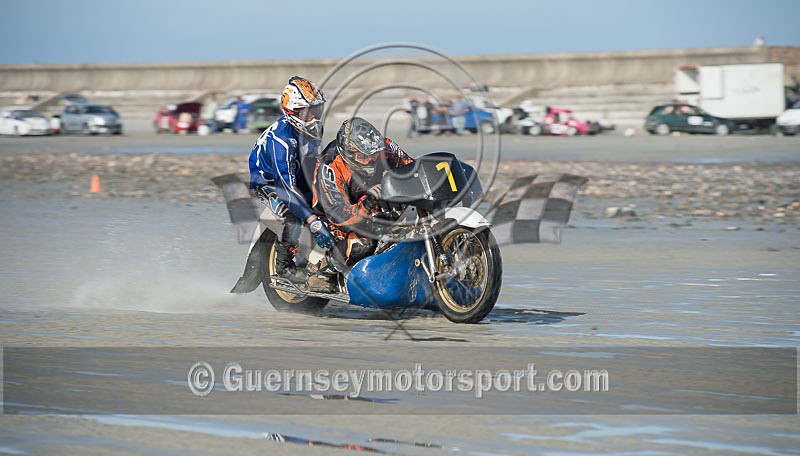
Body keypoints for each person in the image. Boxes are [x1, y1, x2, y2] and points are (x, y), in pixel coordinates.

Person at [309, 117, 413, 292]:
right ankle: (323, 273)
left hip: (369, 198)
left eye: (374, 155)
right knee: (363, 242)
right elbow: (340, 216)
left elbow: (411, 167)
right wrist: (369, 202)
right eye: (364, 156)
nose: (371, 160)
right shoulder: (331, 168)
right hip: (331, 213)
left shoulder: (384, 146)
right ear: (348, 153)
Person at [248, 76, 334, 285]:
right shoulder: (281, 141)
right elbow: (286, 187)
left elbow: (313, 159)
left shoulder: (313, 128)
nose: (315, 117)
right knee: (293, 214)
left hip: (297, 169)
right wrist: (312, 222)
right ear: (293, 112)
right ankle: (284, 266)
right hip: (269, 182)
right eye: (309, 112)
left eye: (318, 111)